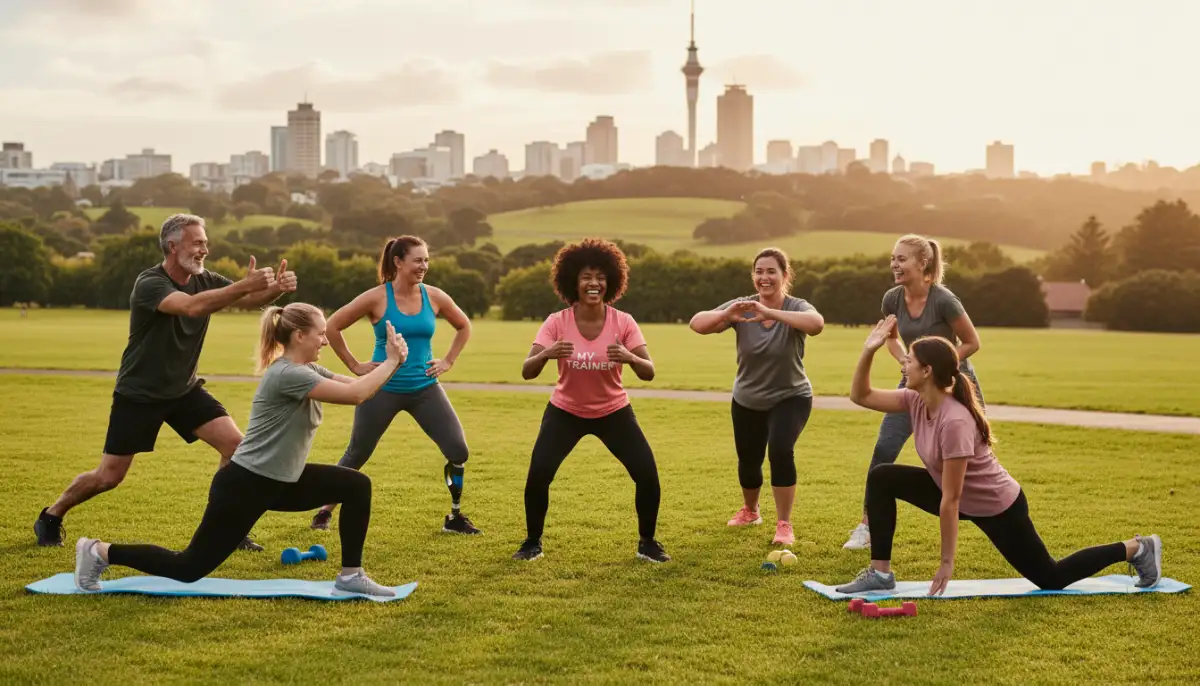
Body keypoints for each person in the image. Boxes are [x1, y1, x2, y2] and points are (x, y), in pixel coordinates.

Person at [72, 302, 407, 597]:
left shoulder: (308, 370)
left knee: (356, 486)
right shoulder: (288, 375)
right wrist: (391, 361)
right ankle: (99, 552)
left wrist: (395, 363)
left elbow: (361, 386)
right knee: (188, 567)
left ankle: (350, 576)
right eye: (321, 334)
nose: (325, 340)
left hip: (281, 480)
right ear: (299, 336)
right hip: (247, 484)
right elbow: (356, 396)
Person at [833, 317, 1163, 595]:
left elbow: (951, 500)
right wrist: (869, 349)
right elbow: (861, 395)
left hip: (997, 507)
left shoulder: (955, 422)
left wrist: (946, 563)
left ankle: (1137, 548)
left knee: (1051, 577)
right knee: (882, 477)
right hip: (954, 493)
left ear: (928, 371)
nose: (904, 364)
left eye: (909, 361)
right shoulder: (916, 399)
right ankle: (880, 573)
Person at [35, 213, 295, 552]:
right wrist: (244, 285)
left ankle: (225, 529)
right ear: (173, 246)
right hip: (140, 394)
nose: (205, 249)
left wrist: (272, 290)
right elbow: (191, 307)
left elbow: (242, 300)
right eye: (197, 242)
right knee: (109, 476)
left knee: (237, 449)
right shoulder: (150, 283)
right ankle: (52, 515)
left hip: (184, 391)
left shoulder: (205, 279)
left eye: (205, 242)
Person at [308, 235, 479, 535]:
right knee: (357, 453)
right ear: (398, 262)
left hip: (425, 389)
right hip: (381, 388)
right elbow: (332, 326)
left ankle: (454, 517)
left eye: (426, 260)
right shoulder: (376, 298)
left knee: (458, 449)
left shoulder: (434, 296)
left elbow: (464, 325)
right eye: (418, 260)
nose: (424, 266)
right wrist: (355, 366)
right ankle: (324, 511)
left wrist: (448, 361)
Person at [512, 238, 670, 563]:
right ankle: (532, 543)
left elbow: (649, 372)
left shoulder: (623, 322)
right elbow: (527, 371)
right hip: (565, 411)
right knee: (539, 474)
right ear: (573, 281)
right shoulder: (557, 322)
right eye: (586, 276)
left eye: (600, 277)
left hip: (613, 412)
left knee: (647, 474)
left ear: (611, 282)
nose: (594, 283)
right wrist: (547, 353)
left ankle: (647, 543)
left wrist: (629, 357)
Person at [843, 233, 984, 551]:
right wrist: (907, 363)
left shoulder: (944, 300)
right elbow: (892, 337)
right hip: (917, 383)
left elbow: (972, 342)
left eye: (901, 259)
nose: (894, 264)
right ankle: (866, 526)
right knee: (884, 450)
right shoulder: (892, 299)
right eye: (893, 258)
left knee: (977, 454)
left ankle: (992, 514)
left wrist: (937, 365)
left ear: (922, 263)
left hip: (955, 382)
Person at [688, 248, 825, 547]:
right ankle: (751, 511)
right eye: (759, 271)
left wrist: (769, 313)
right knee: (749, 459)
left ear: (784, 275)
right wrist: (728, 314)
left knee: (780, 450)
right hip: (747, 398)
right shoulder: (743, 306)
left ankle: (784, 524)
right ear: (753, 276)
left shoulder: (796, 306)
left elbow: (816, 324)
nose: (765, 277)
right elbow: (697, 323)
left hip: (791, 395)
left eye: (771, 271)